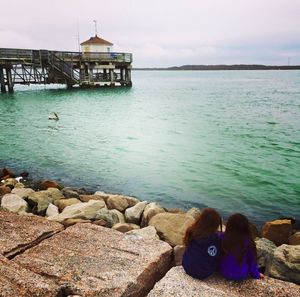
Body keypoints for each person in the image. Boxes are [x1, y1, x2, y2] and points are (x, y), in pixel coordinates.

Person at [219, 213, 264, 280]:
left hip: (222, 271)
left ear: (228, 225)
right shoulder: (249, 242)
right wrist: (257, 275)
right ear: (246, 228)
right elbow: (252, 263)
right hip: (240, 275)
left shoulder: (222, 237)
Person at [182, 208, 223, 279]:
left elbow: (187, 245)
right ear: (216, 224)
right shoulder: (217, 239)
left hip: (186, 266)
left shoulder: (192, 231)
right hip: (205, 273)